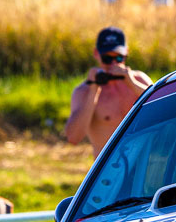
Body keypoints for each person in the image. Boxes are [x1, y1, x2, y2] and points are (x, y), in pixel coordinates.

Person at [65, 27, 153, 155]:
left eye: (119, 58)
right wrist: (93, 91)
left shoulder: (139, 80)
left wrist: (133, 84)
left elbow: (166, 111)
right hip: (110, 166)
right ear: (96, 54)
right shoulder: (83, 91)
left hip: (143, 163)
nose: (113, 64)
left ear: (126, 53)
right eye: (107, 58)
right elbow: (73, 138)